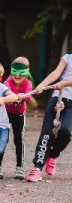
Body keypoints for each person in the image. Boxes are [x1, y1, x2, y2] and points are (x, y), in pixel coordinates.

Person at [26, 54, 72, 182]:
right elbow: (56, 73)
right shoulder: (67, 57)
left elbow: (63, 81)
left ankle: (52, 155)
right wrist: (41, 85)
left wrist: (65, 83)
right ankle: (37, 167)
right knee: (47, 133)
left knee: (66, 131)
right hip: (58, 97)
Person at [0, 57, 34, 180]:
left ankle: (20, 167)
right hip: (5, 114)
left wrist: (23, 96)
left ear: (26, 73)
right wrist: (13, 96)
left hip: (19, 115)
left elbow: (28, 96)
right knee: (2, 139)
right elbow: (5, 92)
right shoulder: (7, 82)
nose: (17, 75)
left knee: (18, 139)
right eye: (15, 71)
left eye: (21, 72)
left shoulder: (28, 83)